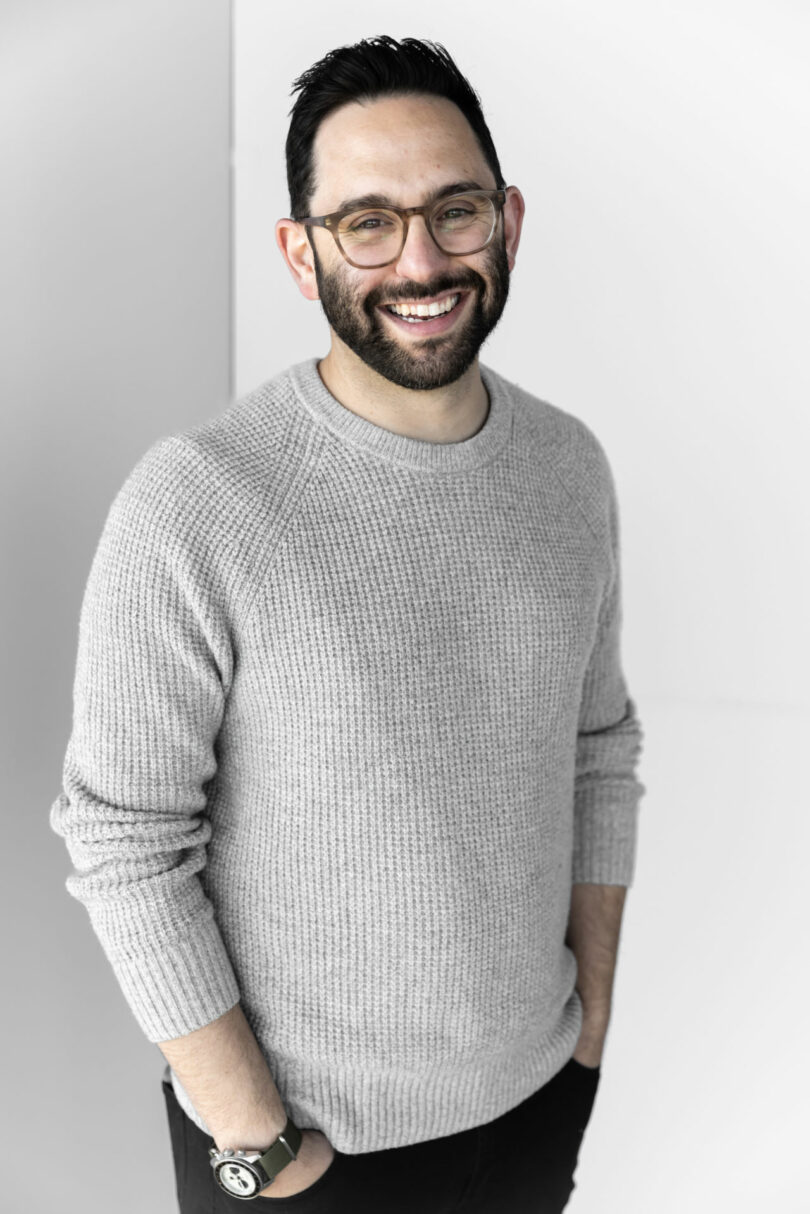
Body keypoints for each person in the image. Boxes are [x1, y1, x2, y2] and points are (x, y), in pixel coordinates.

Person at [50, 35, 646, 1213]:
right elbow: (124, 845)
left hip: (534, 1108)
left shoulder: (569, 468)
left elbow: (599, 754)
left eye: (454, 210)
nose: (419, 259)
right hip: (303, 1154)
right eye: (366, 221)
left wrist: (589, 1037)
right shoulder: (197, 502)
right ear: (299, 249)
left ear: (508, 221)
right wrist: (264, 1148)